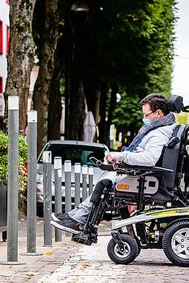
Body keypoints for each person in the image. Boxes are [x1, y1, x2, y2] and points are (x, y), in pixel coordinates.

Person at [51, 93, 178, 235]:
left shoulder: (159, 133)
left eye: (146, 115)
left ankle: (78, 220)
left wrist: (122, 156)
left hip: (144, 176)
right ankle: (77, 217)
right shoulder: (158, 129)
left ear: (159, 113)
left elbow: (149, 158)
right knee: (104, 182)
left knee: (103, 184)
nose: (144, 119)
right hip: (141, 174)